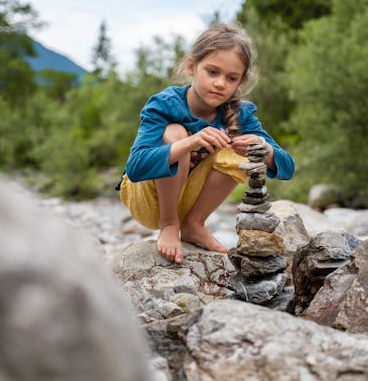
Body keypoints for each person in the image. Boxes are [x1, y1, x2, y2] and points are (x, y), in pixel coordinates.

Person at [116, 23, 295, 263]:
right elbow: (136, 168)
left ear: (240, 82)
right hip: (147, 198)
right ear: (192, 66)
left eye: (231, 78)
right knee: (174, 133)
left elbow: (288, 168)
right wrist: (189, 143)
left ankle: (193, 225)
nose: (221, 83)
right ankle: (169, 224)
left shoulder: (240, 115)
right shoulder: (164, 104)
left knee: (243, 148)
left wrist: (264, 149)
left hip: (187, 199)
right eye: (212, 72)